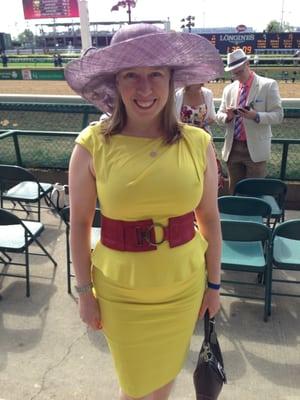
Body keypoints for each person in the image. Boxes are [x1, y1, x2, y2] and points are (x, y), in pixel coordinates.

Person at [65, 23, 224, 400]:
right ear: (115, 83)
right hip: (121, 293)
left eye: (156, 74)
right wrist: (84, 292)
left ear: (172, 81)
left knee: (163, 383)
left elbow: (211, 220)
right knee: (137, 387)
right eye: (130, 76)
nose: (144, 88)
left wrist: (214, 286)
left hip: (184, 286)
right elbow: (80, 225)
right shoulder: (91, 145)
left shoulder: (198, 142)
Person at [216, 49, 283, 194]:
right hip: (233, 148)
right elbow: (219, 116)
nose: (236, 76)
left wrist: (256, 116)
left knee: (254, 192)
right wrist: (228, 116)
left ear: (248, 64)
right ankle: (236, 216)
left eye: (239, 72)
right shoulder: (229, 89)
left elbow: (278, 115)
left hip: (256, 149)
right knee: (234, 191)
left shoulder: (268, 85)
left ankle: (254, 215)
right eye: (233, 73)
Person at [175, 83, 224, 189]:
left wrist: (201, 125)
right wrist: (188, 128)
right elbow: (174, 120)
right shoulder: (178, 95)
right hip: (184, 140)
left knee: (209, 172)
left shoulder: (207, 93)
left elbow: (212, 117)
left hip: (203, 138)